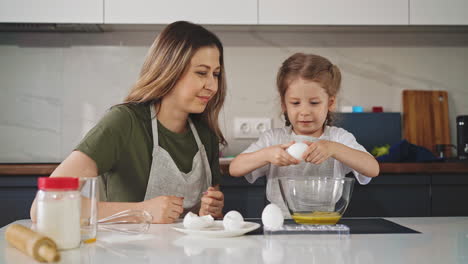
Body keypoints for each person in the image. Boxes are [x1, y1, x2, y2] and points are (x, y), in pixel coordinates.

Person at [30, 21, 227, 224]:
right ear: (170, 70)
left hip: (189, 255)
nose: (212, 85)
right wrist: (141, 211)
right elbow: (45, 207)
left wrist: (209, 212)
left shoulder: (206, 136)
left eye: (216, 74)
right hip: (120, 254)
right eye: (202, 73)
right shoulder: (124, 122)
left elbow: (206, 221)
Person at [229, 53, 379, 216]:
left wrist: (334, 149)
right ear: (284, 104)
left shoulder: (337, 138)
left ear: (330, 103)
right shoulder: (274, 139)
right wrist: (266, 155)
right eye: (295, 103)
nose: (305, 112)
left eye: (314, 103)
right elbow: (235, 168)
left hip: (324, 223)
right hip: (280, 223)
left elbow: (372, 169)